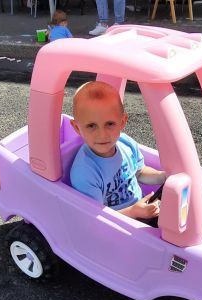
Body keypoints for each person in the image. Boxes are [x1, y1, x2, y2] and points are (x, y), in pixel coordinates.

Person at [70, 81, 166, 223]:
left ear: (122, 122)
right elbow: (96, 218)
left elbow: (139, 172)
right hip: (116, 226)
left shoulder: (126, 144)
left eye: (109, 124)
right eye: (91, 126)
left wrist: (161, 177)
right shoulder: (84, 172)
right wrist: (133, 212)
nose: (102, 134)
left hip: (142, 209)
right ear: (77, 128)